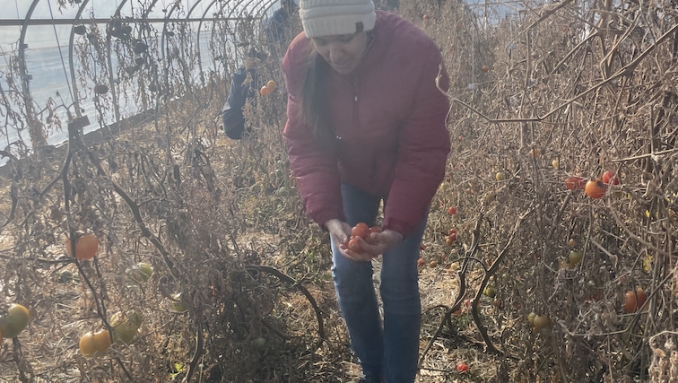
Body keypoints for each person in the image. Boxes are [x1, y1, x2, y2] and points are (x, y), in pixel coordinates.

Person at [281, 1, 450, 382]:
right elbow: (307, 143)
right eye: (321, 41)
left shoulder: (417, 54)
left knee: (398, 278)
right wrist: (330, 215)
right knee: (347, 273)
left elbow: (423, 150)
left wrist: (398, 224)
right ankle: (374, 372)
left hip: (404, 172)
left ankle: (399, 377)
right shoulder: (301, 59)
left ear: (368, 26)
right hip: (351, 173)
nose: (333, 53)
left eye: (344, 39)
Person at [221, 49, 266, 140]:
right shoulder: (251, 79)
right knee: (266, 118)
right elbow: (254, 105)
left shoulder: (239, 73)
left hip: (227, 120)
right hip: (235, 126)